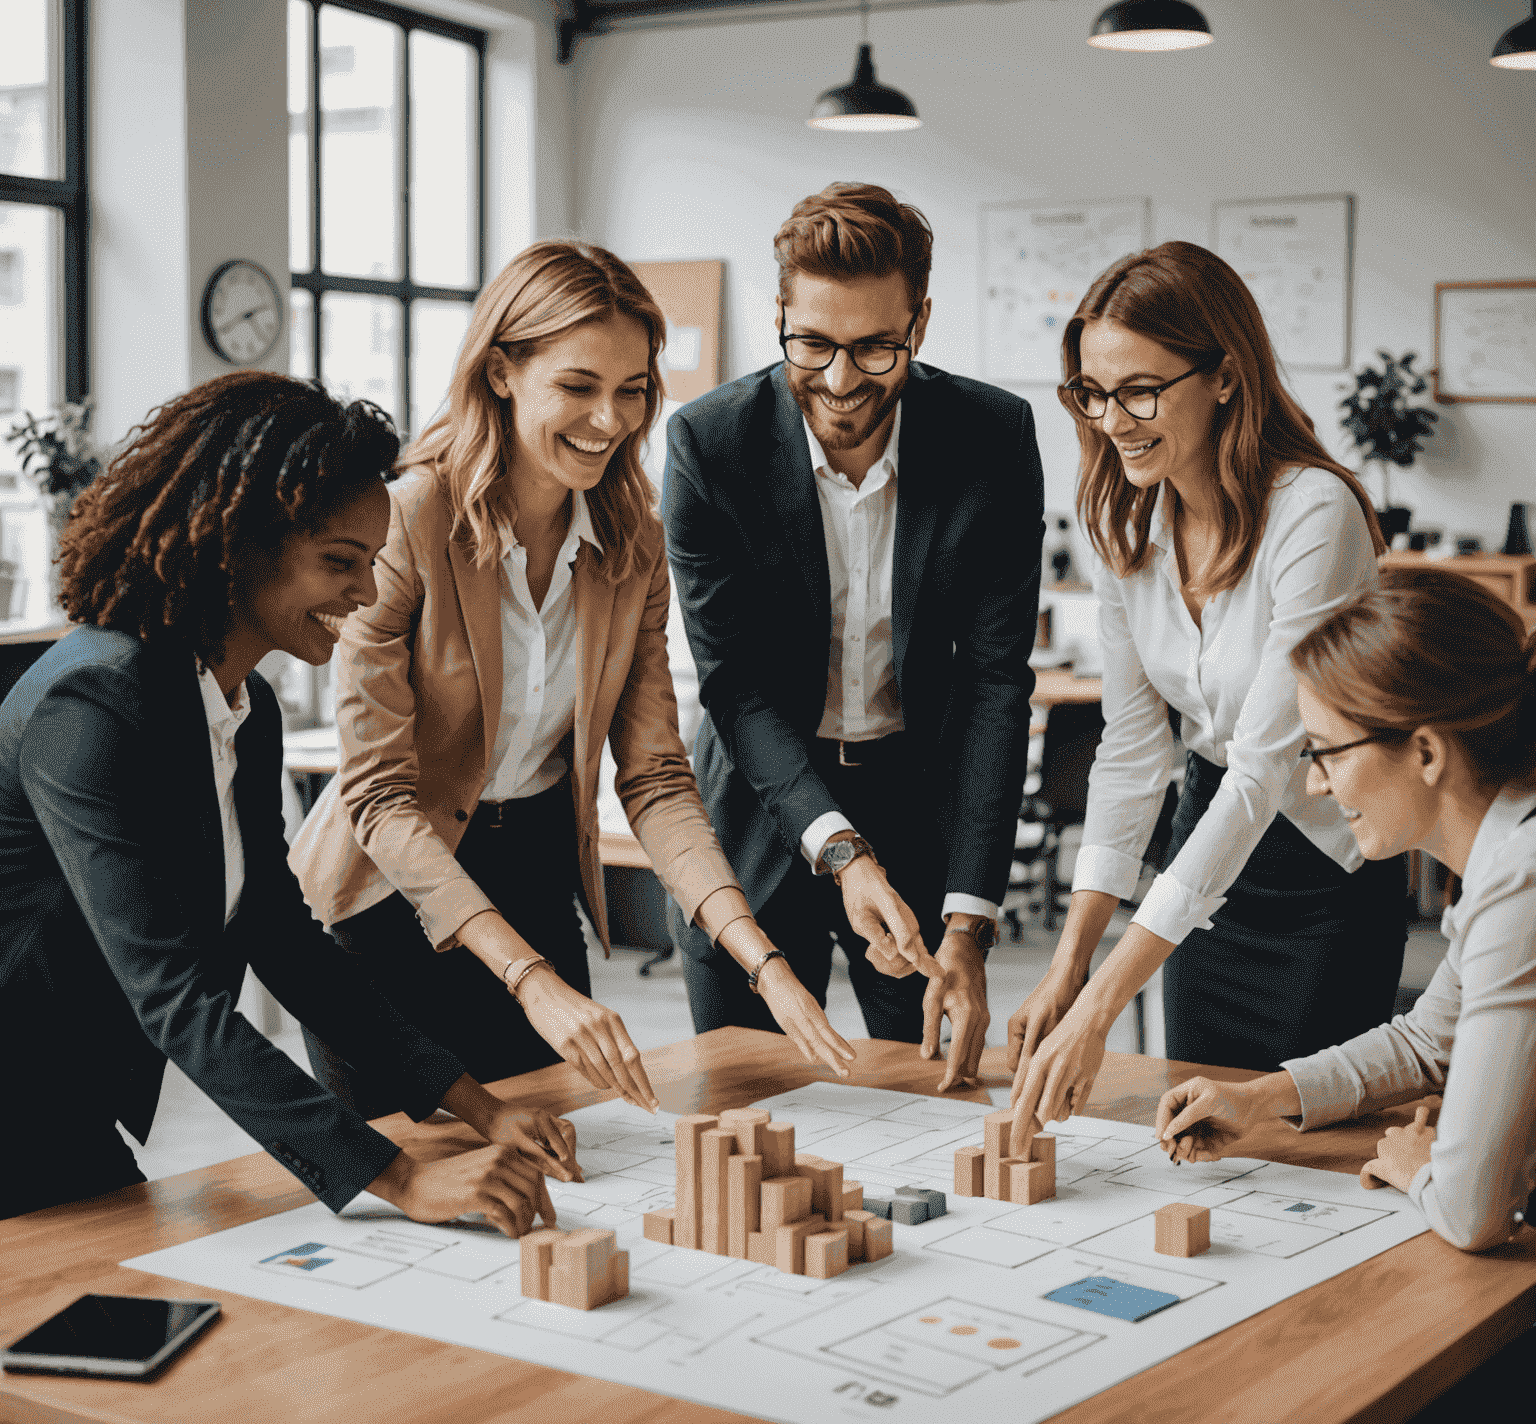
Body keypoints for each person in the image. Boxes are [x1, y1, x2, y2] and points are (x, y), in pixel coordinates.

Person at [291, 241, 854, 1120]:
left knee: (555, 1155)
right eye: (579, 386)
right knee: (419, 1178)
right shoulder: (409, 520)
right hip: (390, 894)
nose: (611, 418)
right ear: (504, 371)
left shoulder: (634, 542)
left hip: (532, 873)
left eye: (633, 390)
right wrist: (529, 981)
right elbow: (379, 797)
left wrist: (764, 963)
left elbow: (658, 779)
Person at [0, 373, 573, 1229]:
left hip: (61, 1092)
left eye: (372, 562)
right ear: (237, 545)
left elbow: (283, 935)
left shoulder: (240, 703)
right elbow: (177, 998)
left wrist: (480, 1106)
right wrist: (403, 1180)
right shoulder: (92, 705)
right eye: (340, 563)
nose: (368, 593)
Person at [1008, 240, 1410, 1144]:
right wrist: (1070, 963)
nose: (1115, 420)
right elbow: (1133, 751)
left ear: (1225, 376)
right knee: (1198, 1138)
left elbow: (1266, 770)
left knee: (1305, 1148)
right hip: (1203, 866)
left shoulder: (1314, 515)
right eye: (1094, 393)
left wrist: (1105, 1000)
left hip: (1321, 873)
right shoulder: (1126, 521)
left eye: (1142, 390)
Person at [662, 182, 1045, 1091]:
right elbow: (736, 685)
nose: (840, 381)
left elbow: (998, 682)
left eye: (877, 348)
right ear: (781, 314)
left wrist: (969, 921)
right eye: (814, 345)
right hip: (758, 808)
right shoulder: (708, 444)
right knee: (746, 1112)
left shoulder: (993, 435)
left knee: (925, 1094)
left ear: (920, 321)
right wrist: (839, 849)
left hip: (916, 805)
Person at [1156, 567, 1536, 1254]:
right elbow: (1430, 1041)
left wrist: (1418, 1166)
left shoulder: (1523, 879)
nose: (1315, 781)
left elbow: (1472, 1210)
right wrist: (1263, 1097)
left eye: (1328, 752)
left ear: (1425, 751)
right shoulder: (1510, 851)